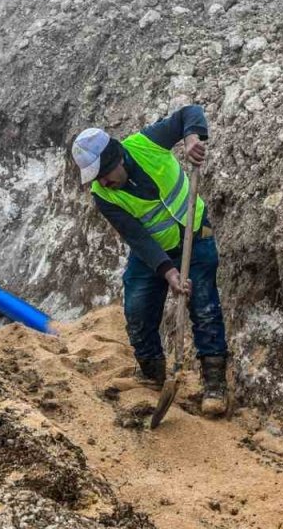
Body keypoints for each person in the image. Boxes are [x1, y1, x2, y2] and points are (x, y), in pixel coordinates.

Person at [70, 106, 229, 417]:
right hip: (152, 253)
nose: (101, 182)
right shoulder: (104, 196)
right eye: (96, 179)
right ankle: (152, 372)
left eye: (103, 174)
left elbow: (189, 114)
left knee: (205, 306)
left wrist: (192, 138)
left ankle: (214, 384)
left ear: (116, 159)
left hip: (195, 237)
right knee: (138, 307)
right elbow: (137, 236)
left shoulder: (146, 144)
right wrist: (168, 272)